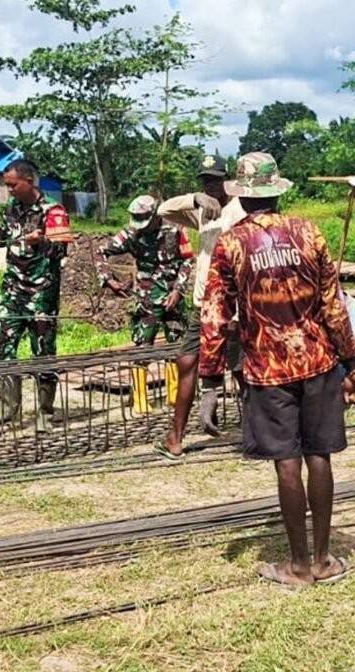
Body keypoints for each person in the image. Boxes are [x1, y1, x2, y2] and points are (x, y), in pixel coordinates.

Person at [200, 151, 353, 587]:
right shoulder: (309, 233)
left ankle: (298, 566)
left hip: (268, 369)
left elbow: (214, 313)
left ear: (243, 197)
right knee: (318, 456)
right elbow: (333, 305)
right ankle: (323, 560)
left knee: (287, 463)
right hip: (319, 362)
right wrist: (350, 358)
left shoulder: (231, 244)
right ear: (277, 193)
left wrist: (210, 376)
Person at [0, 158, 71, 431]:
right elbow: (5, 234)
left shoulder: (53, 210)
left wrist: (43, 241)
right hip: (13, 289)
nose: (8, 189)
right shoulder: (13, 208)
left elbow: (62, 250)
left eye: (13, 185)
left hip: (41, 292)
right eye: (6, 184)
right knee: (0, 343)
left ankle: (45, 415)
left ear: (29, 181)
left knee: (43, 351)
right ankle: (8, 409)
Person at [155, 156, 247, 459]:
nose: (211, 185)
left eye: (216, 179)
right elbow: (163, 209)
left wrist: (235, 314)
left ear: (228, 179)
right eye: (205, 180)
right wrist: (195, 198)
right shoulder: (203, 212)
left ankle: (255, 433)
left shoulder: (239, 210)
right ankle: (175, 437)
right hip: (201, 305)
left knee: (241, 371)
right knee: (186, 362)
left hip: (230, 306)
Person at [95, 195, 193, 346]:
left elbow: (187, 260)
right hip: (147, 300)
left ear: (155, 216)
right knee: (142, 348)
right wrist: (108, 279)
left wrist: (178, 290)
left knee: (178, 348)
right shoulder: (130, 234)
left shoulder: (176, 228)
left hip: (173, 298)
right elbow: (100, 252)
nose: (143, 227)